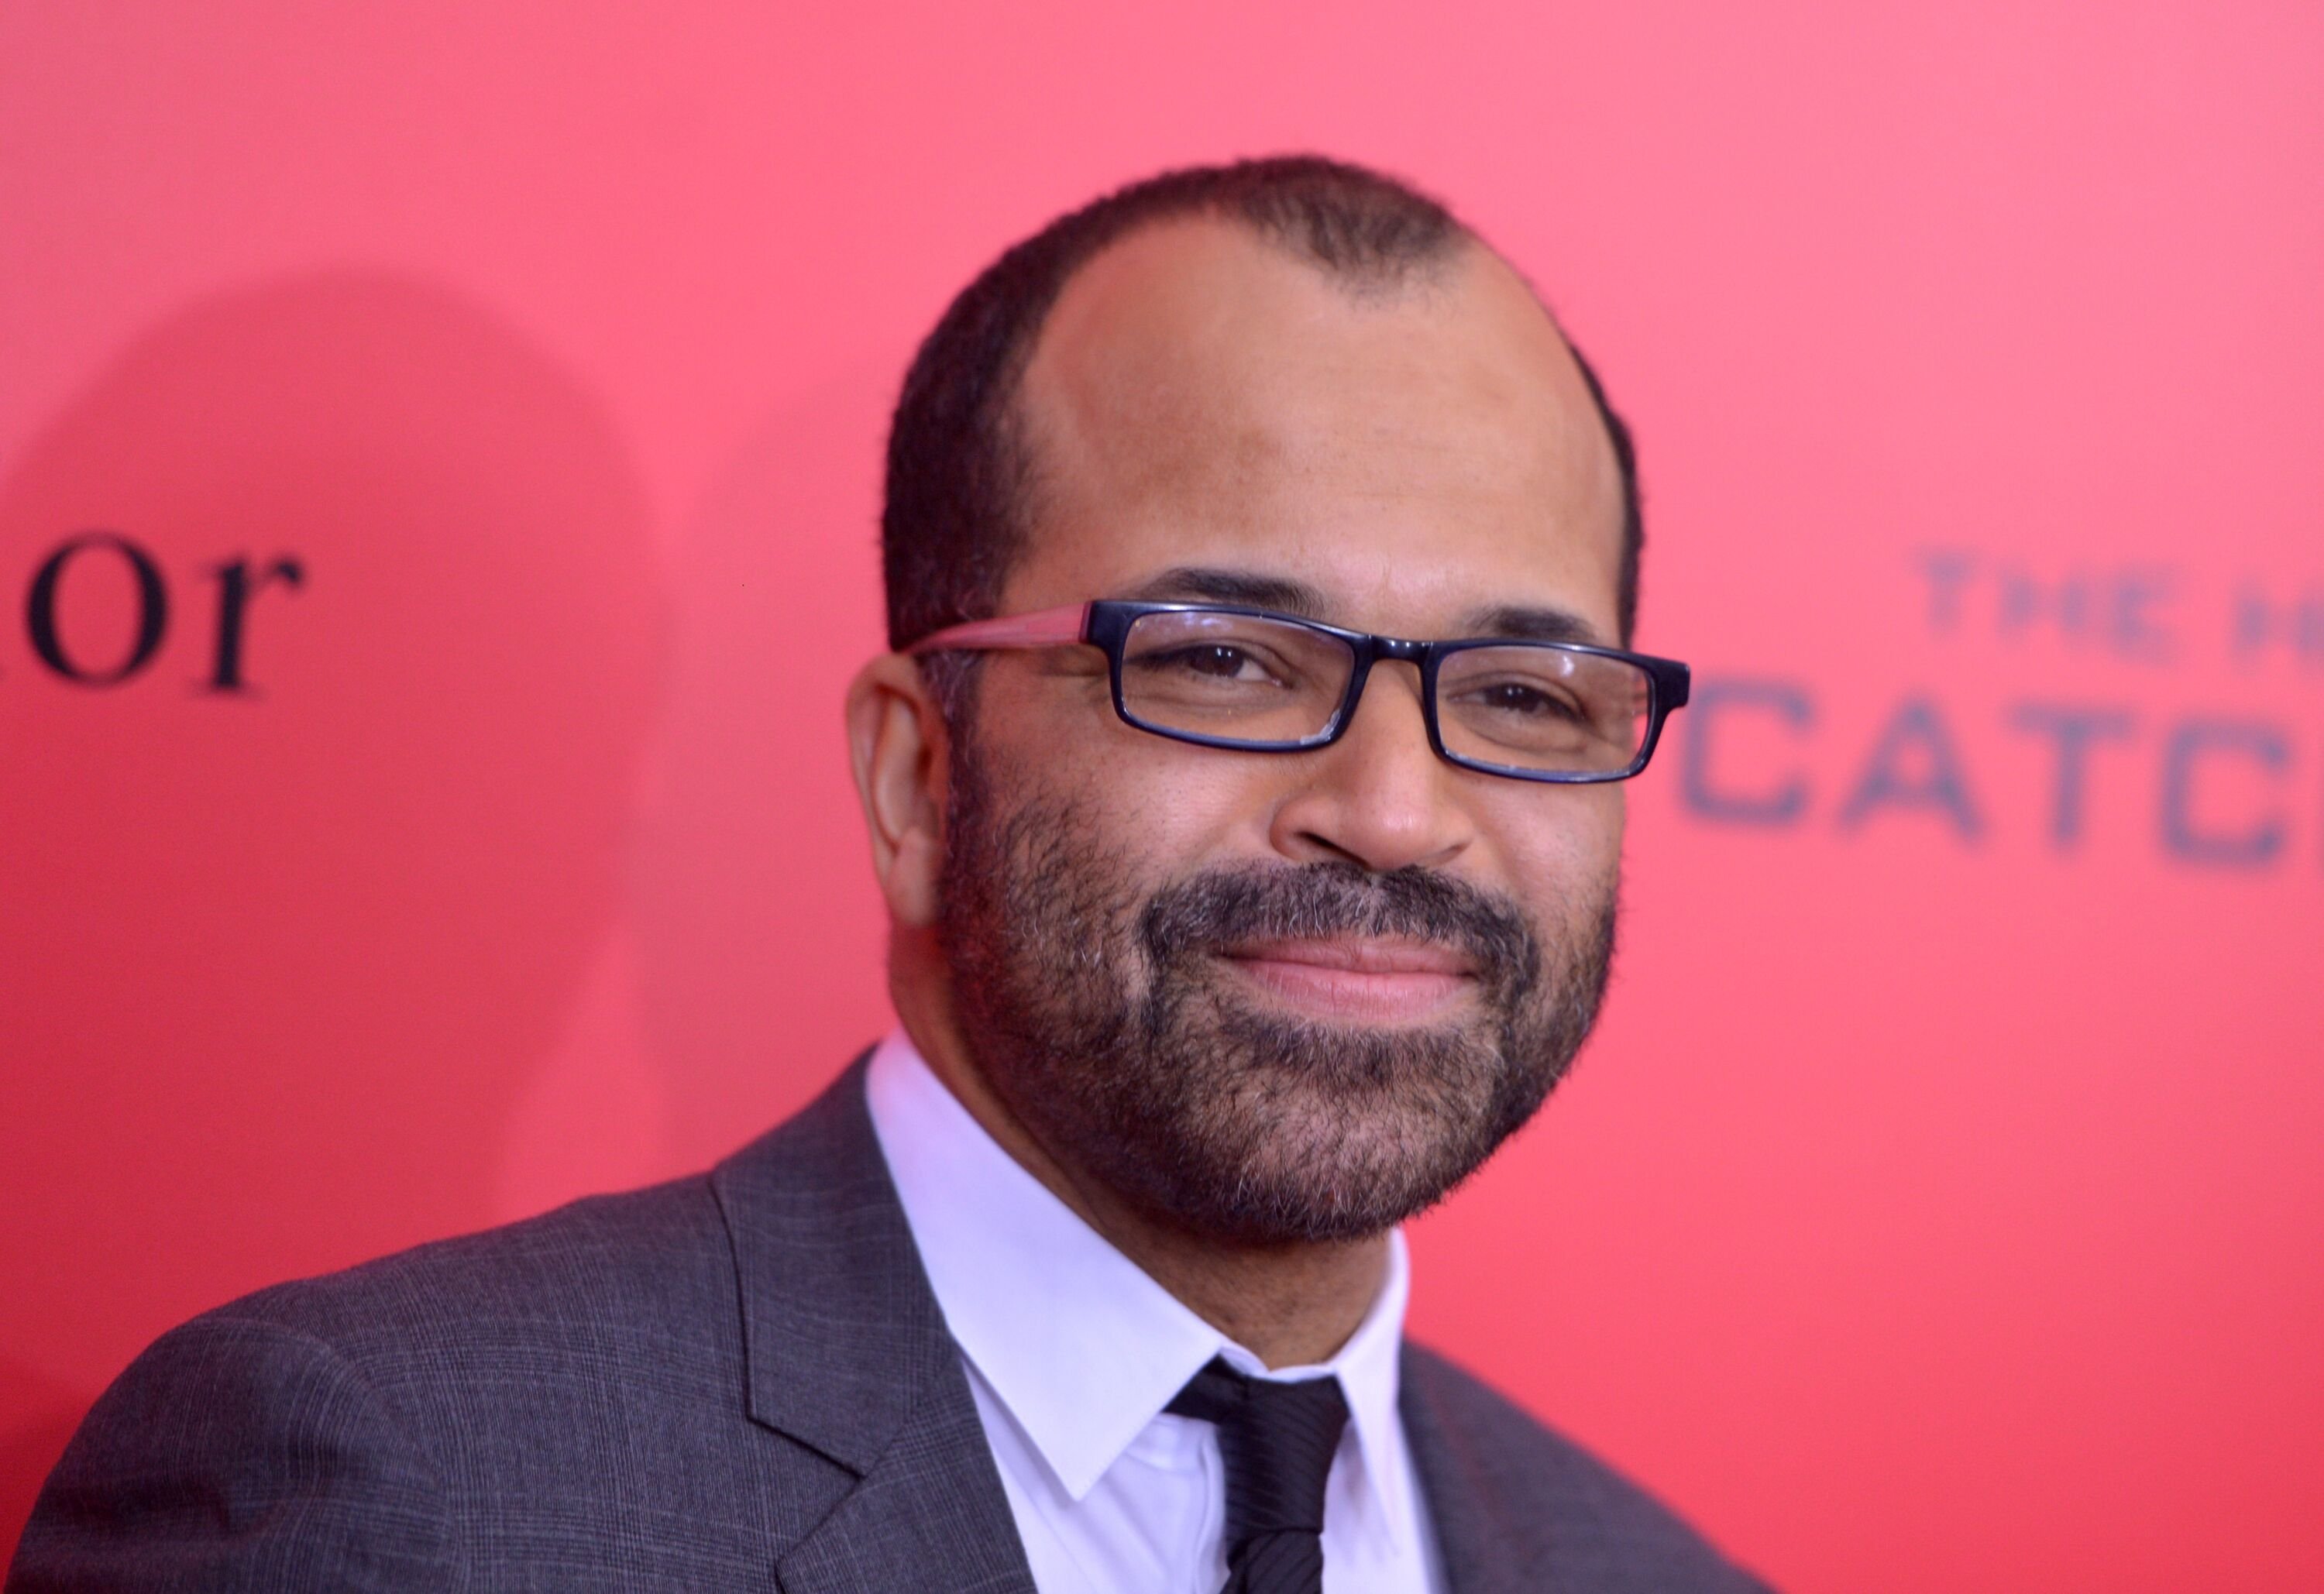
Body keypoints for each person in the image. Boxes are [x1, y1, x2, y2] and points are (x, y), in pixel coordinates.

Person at [9, 156, 1769, 1593]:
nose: (1396, 810)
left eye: (1528, 695)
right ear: (916, 773)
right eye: (1225, 658)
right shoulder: (394, 1503)